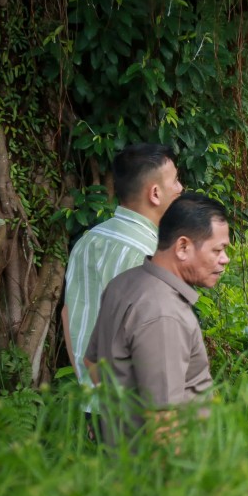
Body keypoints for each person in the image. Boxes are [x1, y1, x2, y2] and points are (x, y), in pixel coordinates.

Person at [84, 193, 230, 445]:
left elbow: (91, 362)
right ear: (182, 247)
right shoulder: (164, 313)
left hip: (124, 459)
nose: (225, 259)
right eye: (218, 249)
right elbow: (163, 421)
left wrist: (124, 414)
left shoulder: (125, 283)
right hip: (162, 471)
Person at [63, 144, 182, 432]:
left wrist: (89, 389)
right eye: (175, 180)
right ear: (154, 193)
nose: (181, 188)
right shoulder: (153, 256)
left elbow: (69, 316)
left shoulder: (87, 242)